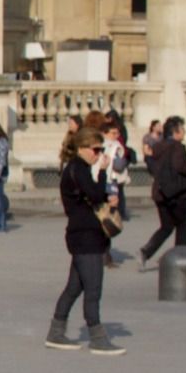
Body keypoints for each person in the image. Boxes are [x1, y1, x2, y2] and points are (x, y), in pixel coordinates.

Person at [44, 127, 124, 354]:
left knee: (74, 287)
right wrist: (101, 173)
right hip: (85, 235)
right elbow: (95, 194)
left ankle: (56, 332)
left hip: (83, 234)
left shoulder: (79, 168)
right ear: (82, 148)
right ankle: (97, 337)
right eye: (95, 149)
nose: (98, 154)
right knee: (93, 288)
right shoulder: (78, 169)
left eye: (100, 150)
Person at [139, 115, 186, 269]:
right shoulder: (178, 147)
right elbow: (178, 167)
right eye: (182, 129)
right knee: (182, 226)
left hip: (160, 191)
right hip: (177, 193)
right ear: (175, 132)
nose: (184, 132)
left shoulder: (158, 146)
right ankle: (179, 258)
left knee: (166, 226)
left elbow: (153, 167)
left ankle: (146, 251)